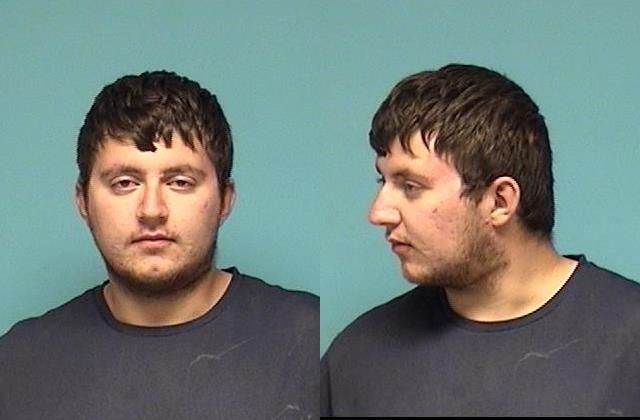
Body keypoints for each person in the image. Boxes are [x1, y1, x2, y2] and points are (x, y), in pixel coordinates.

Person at [321, 64, 640, 417]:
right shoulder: (356, 359)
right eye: (383, 182)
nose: (378, 212)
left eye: (410, 186)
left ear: (500, 201)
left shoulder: (629, 342)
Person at [0, 71, 319, 419]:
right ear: (83, 202)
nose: (152, 210)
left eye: (180, 182)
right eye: (124, 183)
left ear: (225, 200)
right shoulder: (18, 362)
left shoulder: (310, 341)